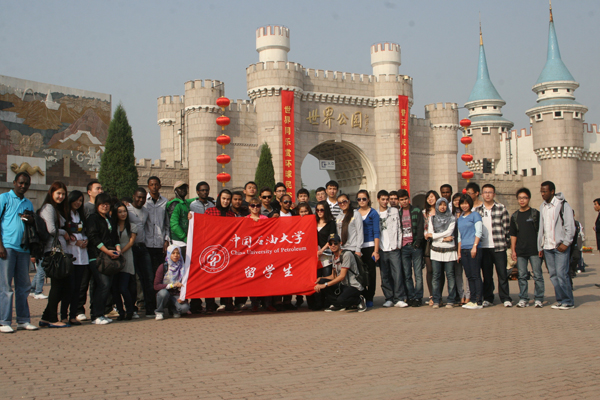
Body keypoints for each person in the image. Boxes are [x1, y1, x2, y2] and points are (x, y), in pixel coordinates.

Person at [0, 172, 39, 333]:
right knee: (6, 286)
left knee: (23, 287)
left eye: (26, 184)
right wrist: (1, 246)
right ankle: (4, 321)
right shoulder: (4, 198)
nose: (23, 186)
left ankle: (23, 320)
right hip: (7, 247)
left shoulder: (28, 203)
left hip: (23, 248)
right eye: (21, 183)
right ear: (14, 182)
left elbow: (31, 225)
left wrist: (30, 220)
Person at [39, 181, 74, 328]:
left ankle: (46, 317)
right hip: (53, 252)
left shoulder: (56, 209)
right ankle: (53, 319)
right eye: (58, 193)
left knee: (62, 286)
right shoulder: (48, 207)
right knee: (58, 287)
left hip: (59, 251)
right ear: (51, 193)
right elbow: (51, 229)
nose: (61, 196)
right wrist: (64, 232)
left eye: (63, 194)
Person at [538, 181, 575, 310]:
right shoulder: (543, 206)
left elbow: (570, 226)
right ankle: (560, 300)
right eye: (541, 191)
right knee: (553, 275)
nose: (542, 194)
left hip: (560, 247)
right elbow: (542, 228)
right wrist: (540, 246)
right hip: (548, 247)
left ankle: (568, 301)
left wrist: (566, 243)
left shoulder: (563, 205)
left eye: (545, 191)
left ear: (552, 191)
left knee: (562, 274)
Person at [473, 184, 512, 307]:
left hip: (499, 246)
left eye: (490, 192)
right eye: (485, 192)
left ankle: (505, 298)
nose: (488, 194)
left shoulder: (501, 208)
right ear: (482, 194)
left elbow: (507, 228)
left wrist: (506, 243)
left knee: (502, 274)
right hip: (484, 247)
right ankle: (488, 298)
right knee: (487, 275)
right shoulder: (477, 211)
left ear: (494, 194)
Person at [86, 193, 121, 325]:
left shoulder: (109, 219)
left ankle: (101, 313)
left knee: (106, 286)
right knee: (103, 284)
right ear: (97, 205)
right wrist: (107, 251)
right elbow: (93, 238)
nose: (105, 206)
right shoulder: (93, 218)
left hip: (110, 258)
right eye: (102, 204)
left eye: (107, 204)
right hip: (97, 256)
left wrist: (117, 249)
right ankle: (96, 315)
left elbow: (115, 237)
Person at [313, 233, 367, 312]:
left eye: (335, 243)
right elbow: (333, 276)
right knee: (321, 281)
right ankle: (338, 305)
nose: (333, 245)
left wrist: (325, 285)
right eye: (330, 243)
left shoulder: (346, 254)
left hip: (353, 286)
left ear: (340, 243)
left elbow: (342, 276)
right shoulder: (334, 256)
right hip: (343, 285)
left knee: (341, 299)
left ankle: (359, 300)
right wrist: (321, 278)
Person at [510, 188, 544, 308]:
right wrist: (513, 250)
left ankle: (539, 298)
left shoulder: (535, 214)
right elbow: (513, 235)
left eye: (524, 198)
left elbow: (541, 232)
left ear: (529, 199)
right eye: (520, 198)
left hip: (534, 250)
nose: (522, 200)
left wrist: (541, 248)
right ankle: (523, 298)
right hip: (521, 250)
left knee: (537, 275)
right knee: (522, 276)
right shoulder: (515, 216)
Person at [76, 179, 104, 321]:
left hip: (97, 251)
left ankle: (95, 310)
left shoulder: (103, 208)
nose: (100, 191)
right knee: (83, 281)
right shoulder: (85, 207)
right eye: (97, 188)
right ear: (89, 192)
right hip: (84, 249)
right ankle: (79, 309)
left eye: (101, 188)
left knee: (96, 282)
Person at [204, 189, 236, 312]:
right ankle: (210, 305)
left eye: (228, 199)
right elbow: (203, 227)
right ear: (219, 198)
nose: (226, 201)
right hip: (211, 249)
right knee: (210, 278)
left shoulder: (231, 214)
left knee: (227, 277)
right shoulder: (210, 211)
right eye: (223, 198)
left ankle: (228, 303)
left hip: (226, 250)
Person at [376, 190, 407, 308]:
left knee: (397, 274)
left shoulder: (394, 211)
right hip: (382, 249)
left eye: (386, 199)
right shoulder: (375, 213)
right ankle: (389, 298)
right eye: (383, 199)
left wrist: (398, 244)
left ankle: (399, 298)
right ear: (378, 200)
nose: (385, 202)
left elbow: (399, 228)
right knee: (385, 275)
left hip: (394, 248)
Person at [62, 190, 89, 325]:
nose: (78, 203)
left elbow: (84, 231)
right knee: (69, 287)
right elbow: (64, 234)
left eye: (80, 201)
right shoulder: (65, 214)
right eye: (76, 200)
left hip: (82, 256)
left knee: (78, 287)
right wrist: (75, 242)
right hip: (70, 254)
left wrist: (85, 240)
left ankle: (73, 315)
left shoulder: (80, 215)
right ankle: (63, 315)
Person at [425, 198, 458, 309]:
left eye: (444, 205)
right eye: (440, 205)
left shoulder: (452, 218)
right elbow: (430, 233)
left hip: (449, 250)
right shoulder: (432, 218)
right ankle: (436, 300)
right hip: (436, 250)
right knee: (436, 276)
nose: (442, 207)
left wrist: (434, 236)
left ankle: (451, 300)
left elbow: (449, 232)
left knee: (450, 275)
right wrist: (443, 239)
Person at [127, 188, 154, 318]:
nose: (141, 200)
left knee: (148, 277)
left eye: (143, 198)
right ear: (133, 196)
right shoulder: (127, 209)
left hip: (143, 248)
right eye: (138, 197)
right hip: (130, 248)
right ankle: (133, 308)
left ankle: (150, 308)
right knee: (133, 279)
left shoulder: (146, 211)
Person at [397, 189, 425, 307]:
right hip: (404, 247)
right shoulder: (398, 214)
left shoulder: (416, 211)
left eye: (405, 199)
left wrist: (417, 243)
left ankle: (418, 297)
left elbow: (420, 227)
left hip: (415, 247)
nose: (404, 201)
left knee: (418, 274)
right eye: (401, 200)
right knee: (407, 275)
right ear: (399, 201)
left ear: (408, 199)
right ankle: (410, 296)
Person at [457, 194, 483, 310]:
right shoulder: (460, 218)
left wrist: (475, 246)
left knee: (475, 275)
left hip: (473, 249)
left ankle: (478, 300)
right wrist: (459, 252)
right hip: (464, 250)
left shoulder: (475, 215)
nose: (464, 205)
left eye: (466, 203)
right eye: (462, 203)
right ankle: (472, 300)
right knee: (469, 276)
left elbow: (478, 232)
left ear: (470, 204)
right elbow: (459, 237)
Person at [111, 202, 136, 320]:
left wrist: (121, 252)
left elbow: (131, 242)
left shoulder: (132, 226)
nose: (123, 214)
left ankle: (130, 310)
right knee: (115, 289)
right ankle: (121, 312)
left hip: (127, 257)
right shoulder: (112, 226)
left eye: (124, 211)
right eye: (120, 212)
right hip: (114, 259)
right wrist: (116, 253)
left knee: (123, 287)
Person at [356, 190, 380, 308]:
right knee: (360, 273)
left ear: (368, 199)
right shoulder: (355, 213)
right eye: (359, 199)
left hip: (370, 246)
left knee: (371, 273)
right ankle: (363, 296)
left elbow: (376, 232)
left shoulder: (373, 213)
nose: (362, 201)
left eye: (364, 199)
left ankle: (370, 297)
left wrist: (376, 251)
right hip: (358, 247)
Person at [312, 201, 336, 310]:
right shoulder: (313, 222)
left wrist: (322, 250)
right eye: (317, 210)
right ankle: (318, 302)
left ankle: (329, 301)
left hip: (326, 255)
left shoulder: (331, 223)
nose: (319, 212)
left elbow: (331, 238)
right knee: (316, 278)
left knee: (326, 278)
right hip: (315, 256)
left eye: (322, 210)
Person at [154, 245, 189, 320]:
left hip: (176, 294)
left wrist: (183, 298)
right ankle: (159, 312)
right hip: (165, 293)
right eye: (173, 253)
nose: (176, 255)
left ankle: (173, 310)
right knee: (163, 293)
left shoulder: (183, 267)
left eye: (178, 253)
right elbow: (156, 286)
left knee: (185, 308)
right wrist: (172, 285)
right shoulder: (163, 267)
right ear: (169, 254)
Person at [144, 176, 170, 276]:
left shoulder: (165, 202)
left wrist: (166, 240)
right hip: (147, 242)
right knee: (148, 272)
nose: (154, 187)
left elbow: (167, 223)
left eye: (156, 184)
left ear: (160, 186)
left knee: (160, 271)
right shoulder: (144, 201)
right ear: (148, 186)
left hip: (160, 243)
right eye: (151, 185)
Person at [423, 190, 440, 306]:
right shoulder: (424, 212)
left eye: (432, 197)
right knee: (430, 270)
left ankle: (438, 296)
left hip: (440, 242)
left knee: (438, 271)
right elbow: (422, 226)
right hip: (428, 243)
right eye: (428, 197)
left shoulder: (441, 211)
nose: (430, 199)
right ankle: (432, 295)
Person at [451, 193, 469, 305]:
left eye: (459, 200)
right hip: (453, 247)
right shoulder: (450, 214)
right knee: (457, 273)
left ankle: (468, 295)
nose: (457, 202)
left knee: (468, 273)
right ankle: (461, 295)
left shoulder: (467, 214)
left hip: (466, 245)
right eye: (455, 200)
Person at [167, 181, 189, 259]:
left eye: (185, 188)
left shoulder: (184, 203)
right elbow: (174, 225)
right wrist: (185, 238)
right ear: (175, 190)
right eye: (180, 188)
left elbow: (191, 200)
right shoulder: (175, 204)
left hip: (185, 242)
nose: (183, 190)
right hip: (178, 242)